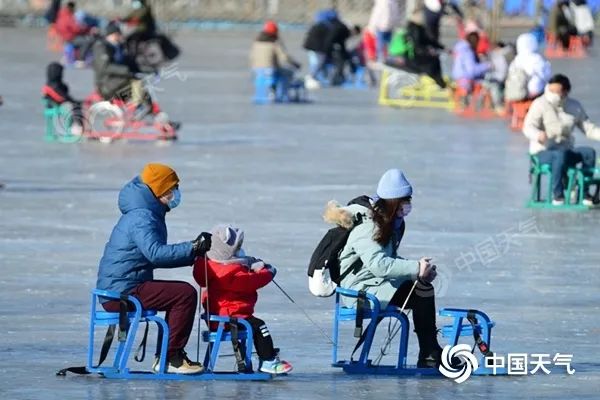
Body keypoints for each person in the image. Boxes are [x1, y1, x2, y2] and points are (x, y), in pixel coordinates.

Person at [96, 163, 212, 374]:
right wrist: (193, 248)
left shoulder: (144, 213)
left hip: (123, 287)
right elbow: (156, 254)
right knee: (184, 294)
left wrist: (193, 251)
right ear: (159, 190)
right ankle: (170, 358)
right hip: (121, 293)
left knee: (177, 294)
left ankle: (167, 355)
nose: (175, 194)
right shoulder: (143, 217)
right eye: (172, 189)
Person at [324, 169, 442, 368]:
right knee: (421, 292)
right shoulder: (367, 226)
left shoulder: (387, 222)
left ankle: (429, 351)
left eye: (408, 202)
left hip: (375, 283)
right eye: (404, 203)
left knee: (422, 288)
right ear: (392, 203)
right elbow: (379, 265)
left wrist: (420, 272)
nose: (407, 207)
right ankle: (429, 352)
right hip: (360, 291)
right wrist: (415, 268)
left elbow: (389, 259)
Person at [193, 225, 293, 375]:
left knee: (255, 324)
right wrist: (268, 271)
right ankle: (268, 359)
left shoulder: (209, 265)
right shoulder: (231, 273)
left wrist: (247, 263)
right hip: (231, 318)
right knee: (260, 327)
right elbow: (252, 281)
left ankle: (267, 357)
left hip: (216, 316)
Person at [523, 74, 600, 206]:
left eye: (556, 92)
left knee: (589, 152)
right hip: (542, 151)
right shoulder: (539, 104)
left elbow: (588, 128)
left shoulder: (574, 106)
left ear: (565, 92)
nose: (551, 94)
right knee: (559, 155)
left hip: (565, 149)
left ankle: (584, 192)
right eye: (550, 91)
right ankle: (558, 195)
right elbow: (528, 127)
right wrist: (537, 135)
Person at [249, 21, 302, 95]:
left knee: (272, 74)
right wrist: (296, 64)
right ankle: (283, 93)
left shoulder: (256, 43)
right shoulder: (275, 43)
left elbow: (252, 56)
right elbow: (285, 58)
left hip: (256, 70)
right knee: (288, 73)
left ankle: (271, 90)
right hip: (270, 70)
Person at [405, 9, 447, 89]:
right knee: (433, 62)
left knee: (435, 60)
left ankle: (439, 81)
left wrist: (441, 47)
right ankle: (438, 81)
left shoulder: (419, 28)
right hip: (413, 58)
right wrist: (428, 51)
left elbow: (428, 41)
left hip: (417, 54)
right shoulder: (413, 29)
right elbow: (417, 45)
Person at [505, 33, 551, 102]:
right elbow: (546, 76)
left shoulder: (515, 60)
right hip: (534, 93)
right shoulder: (536, 58)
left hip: (516, 93)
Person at [42, 62, 84, 135]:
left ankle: (78, 125)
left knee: (76, 105)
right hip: (55, 105)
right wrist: (72, 101)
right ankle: (76, 126)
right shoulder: (52, 86)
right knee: (75, 107)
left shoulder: (54, 84)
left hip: (57, 103)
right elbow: (60, 97)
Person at [451, 31, 491, 106]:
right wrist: (487, 66)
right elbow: (471, 71)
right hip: (465, 80)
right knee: (487, 84)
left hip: (457, 78)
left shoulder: (460, 48)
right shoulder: (467, 51)